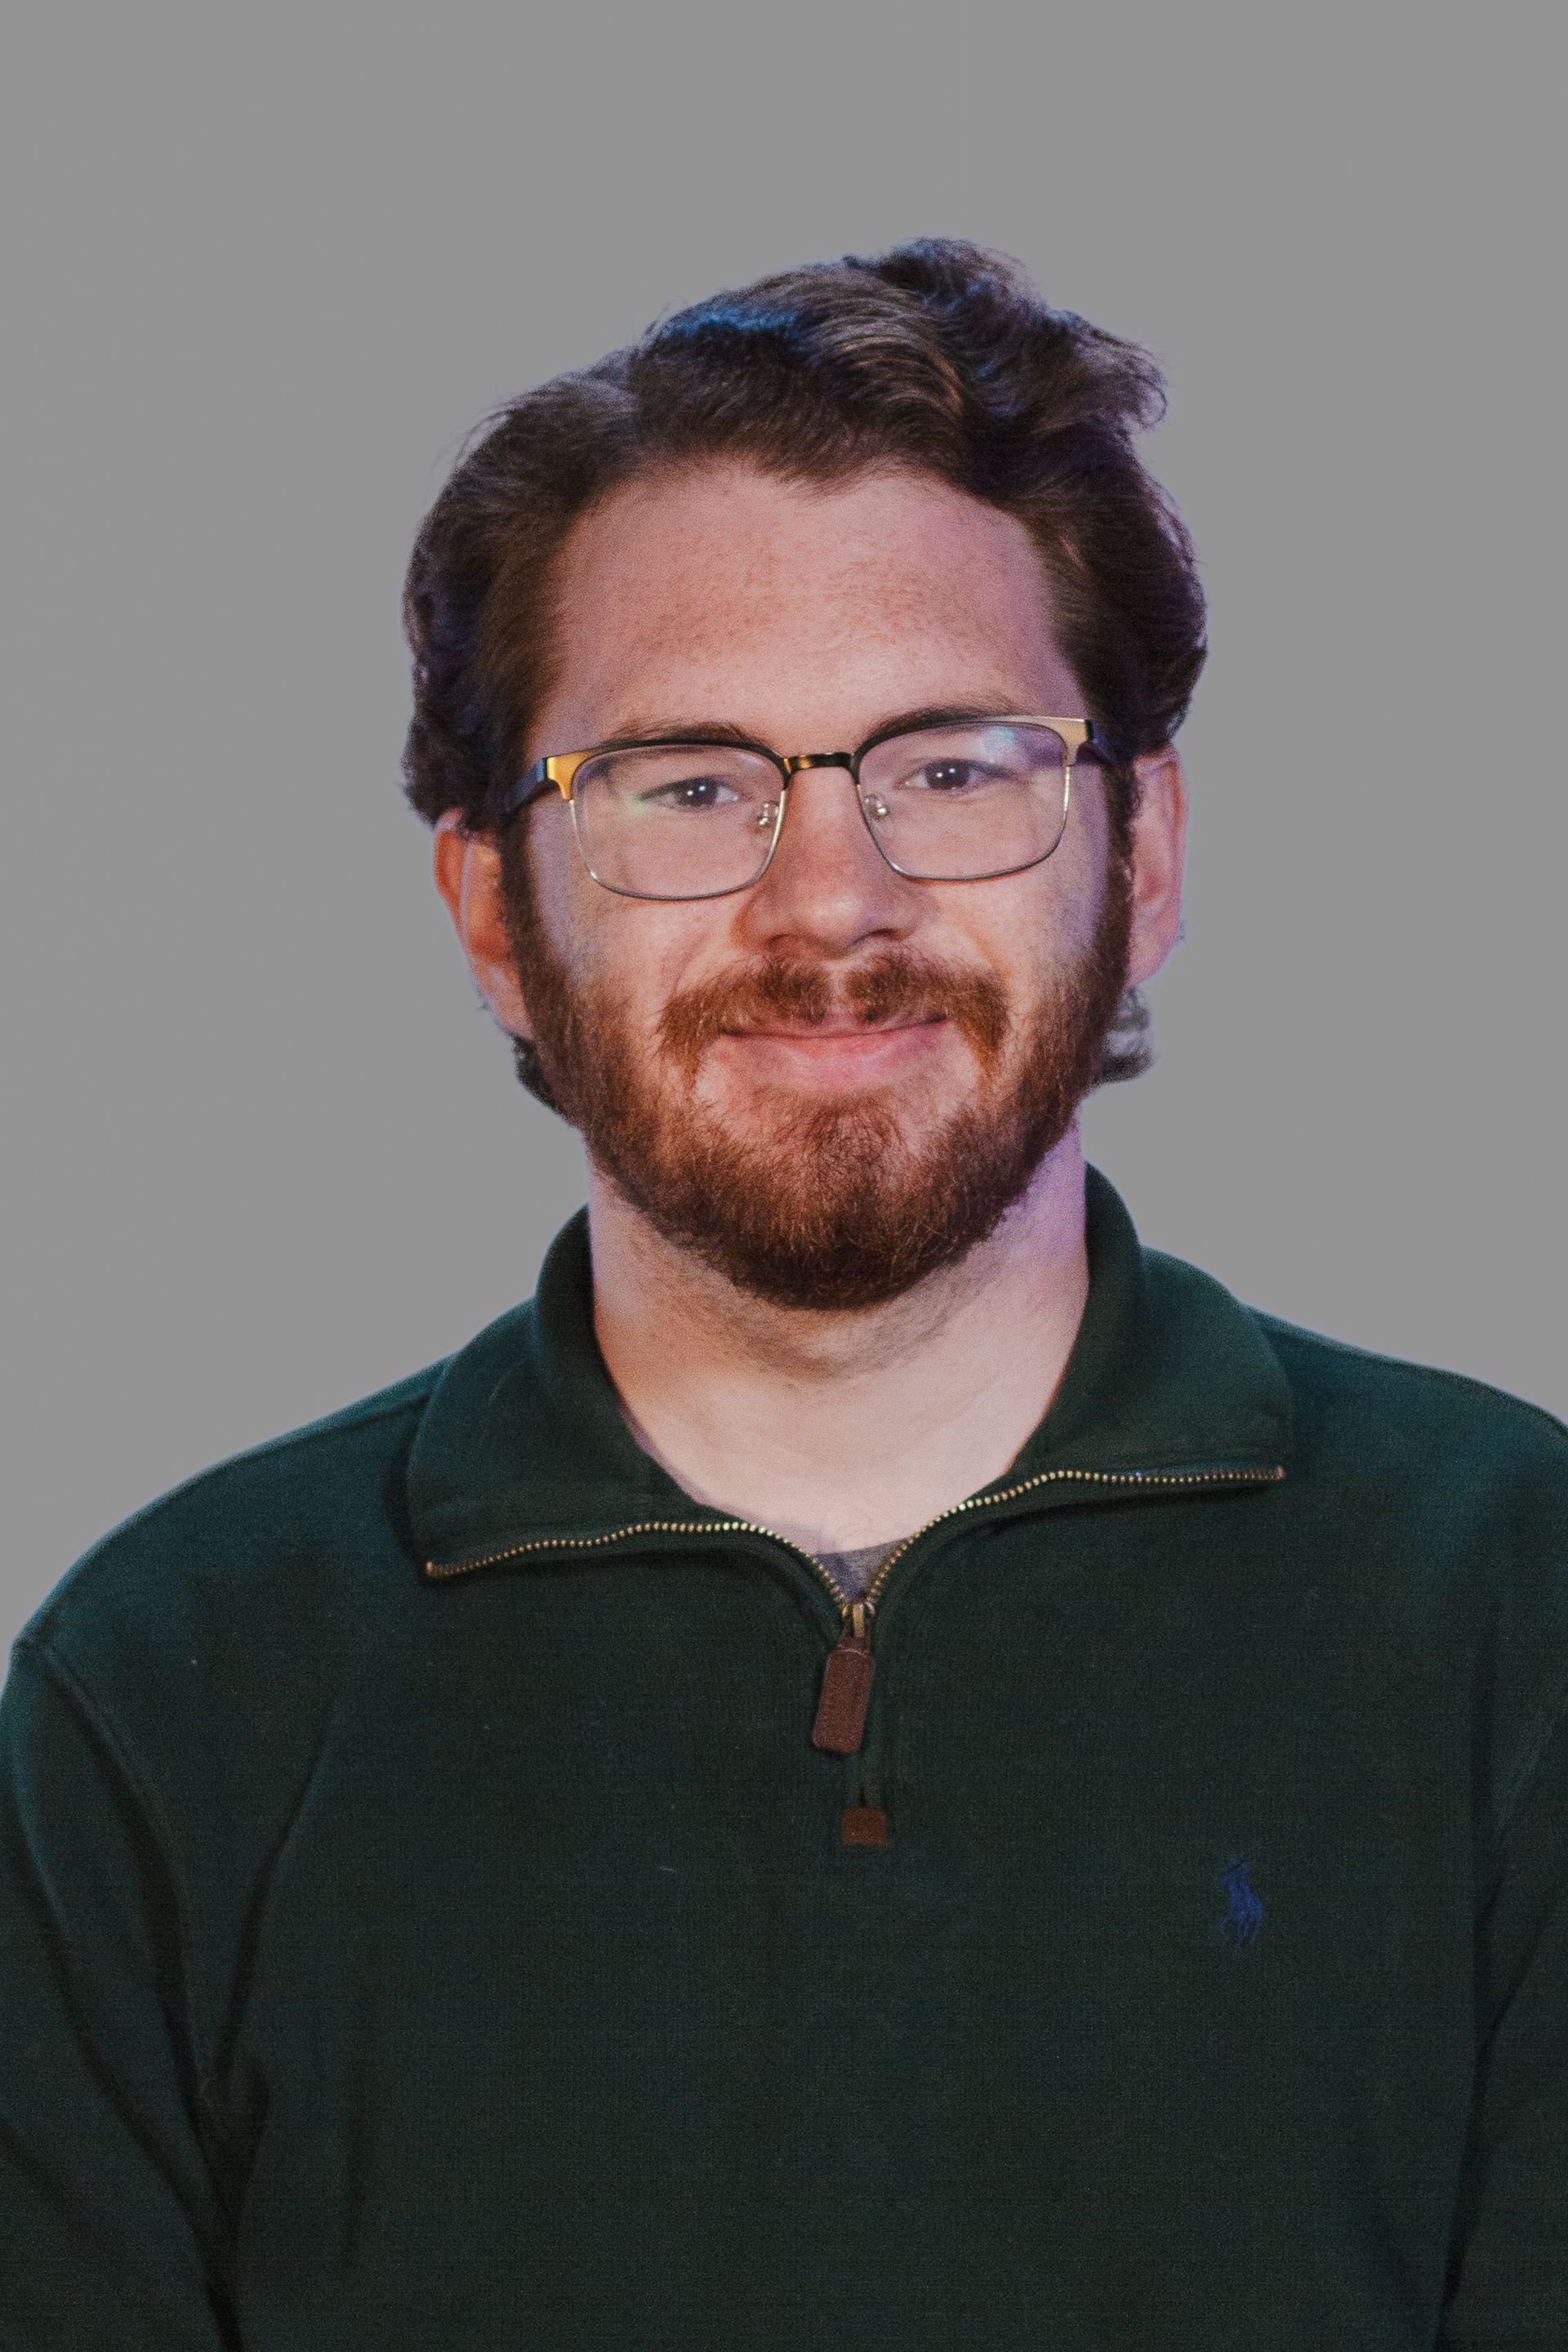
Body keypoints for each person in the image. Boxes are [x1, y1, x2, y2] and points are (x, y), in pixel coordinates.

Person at [2, 238, 1563, 2351]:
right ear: (490, 905)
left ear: (1148, 857)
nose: (832, 899)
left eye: (952, 765)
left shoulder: (1515, 1614)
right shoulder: (167, 1691)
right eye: (689, 787)